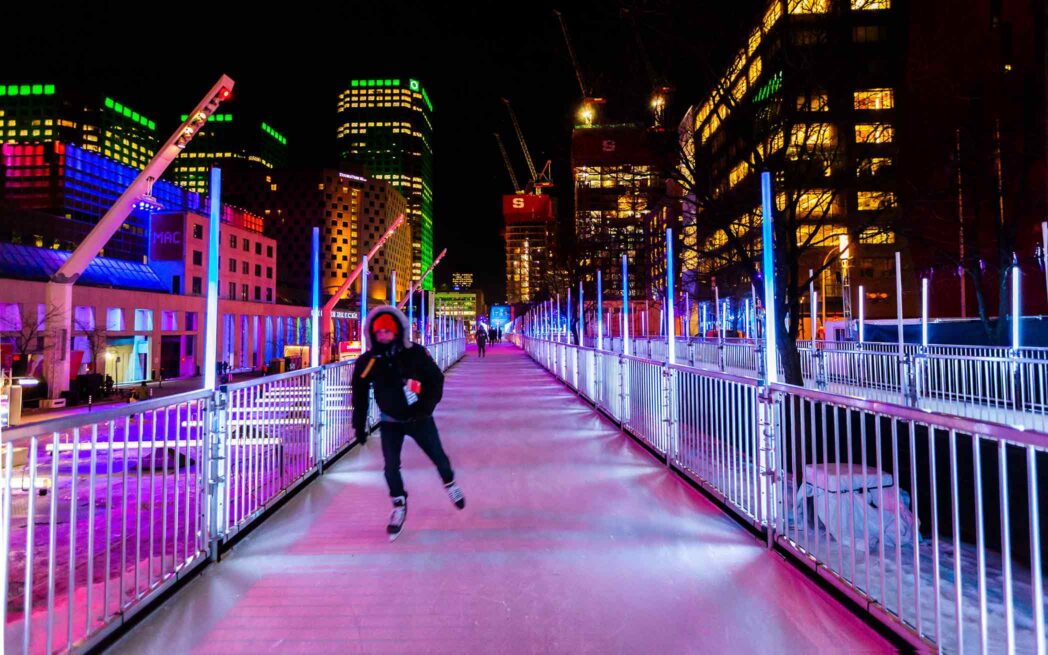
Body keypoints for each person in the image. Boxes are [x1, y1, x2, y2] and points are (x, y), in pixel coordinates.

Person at [352, 305, 465, 541]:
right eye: (378, 332)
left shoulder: (415, 353)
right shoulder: (369, 361)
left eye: (387, 331)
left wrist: (426, 407)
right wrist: (359, 425)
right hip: (390, 421)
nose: (383, 336)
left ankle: (449, 482)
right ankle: (399, 503)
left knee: (438, 457)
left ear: (397, 331)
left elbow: (436, 379)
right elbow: (359, 393)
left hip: (419, 418)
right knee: (390, 467)